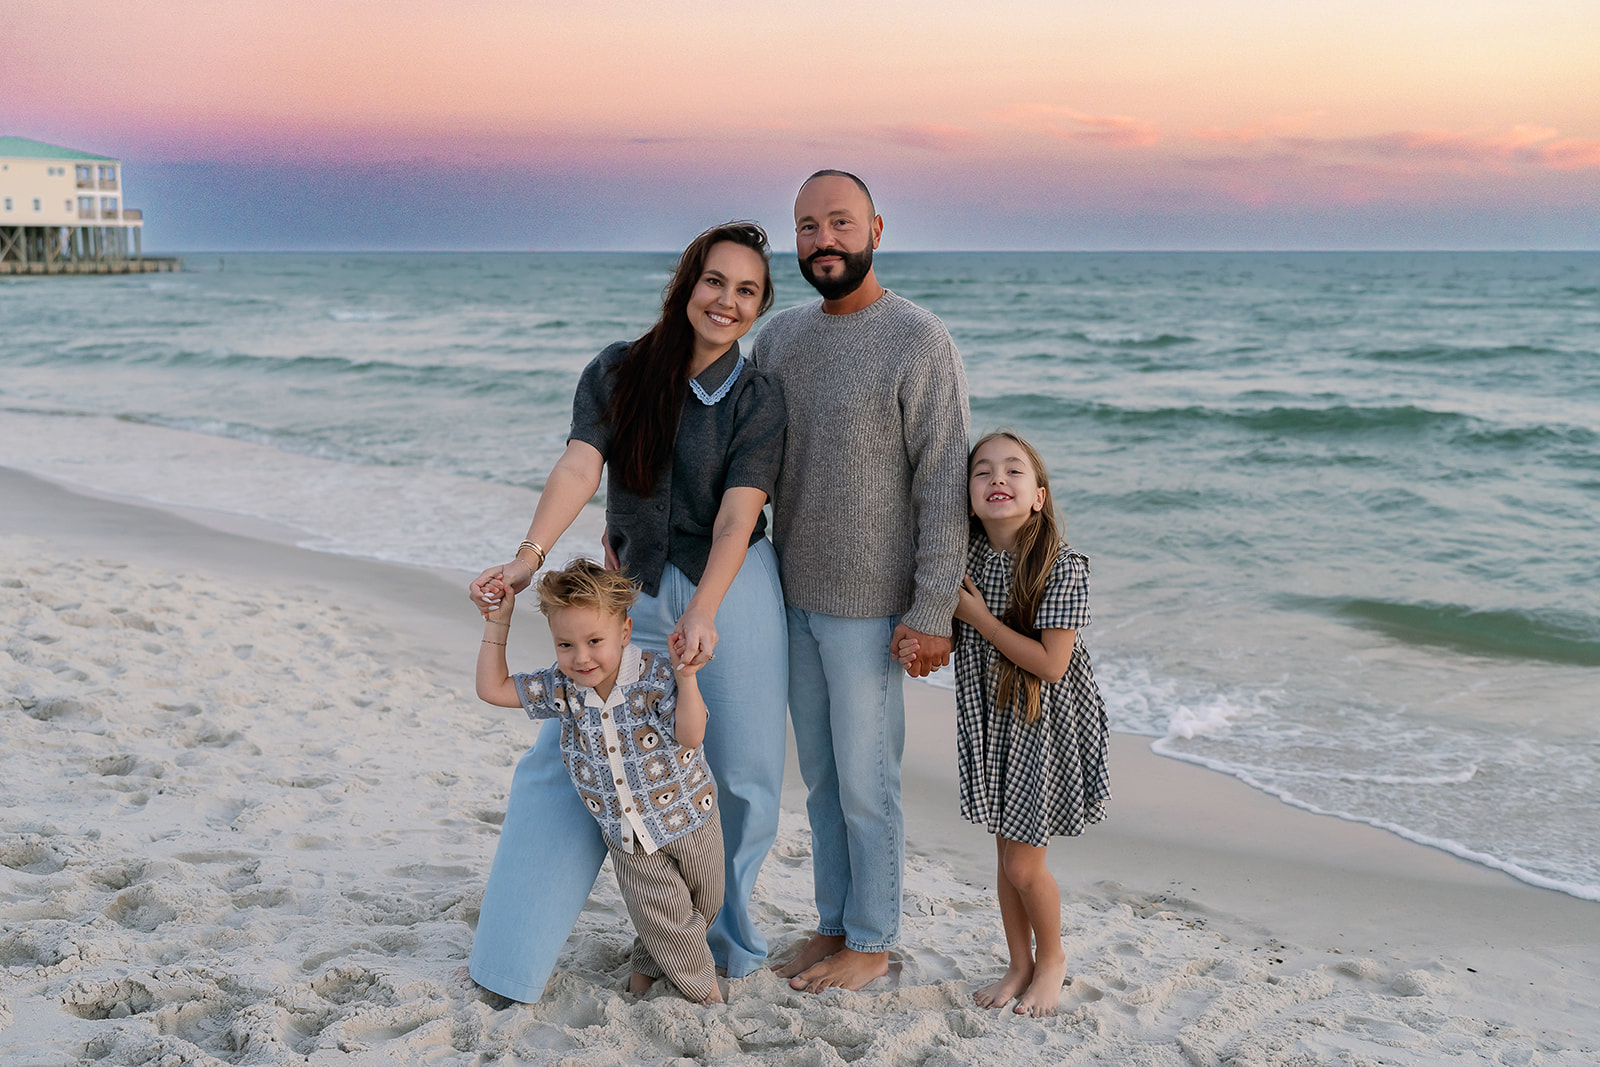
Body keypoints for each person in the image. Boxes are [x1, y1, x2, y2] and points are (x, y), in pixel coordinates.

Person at [466, 222, 788, 1003]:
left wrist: (704, 611)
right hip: (630, 593)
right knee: (564, 757)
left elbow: (738, 518)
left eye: (747, 291)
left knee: (739, 771)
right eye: (716, 281)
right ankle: (508, 961)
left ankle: (713, 948)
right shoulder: (617, 370)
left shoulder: (759, 397)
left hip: (731, 587)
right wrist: (528, 556)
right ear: (688, 283)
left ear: (759, 307)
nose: (728, 300)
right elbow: (582, 464)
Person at [752, 170, 971, 992]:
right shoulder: (777, 339)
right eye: (807, 227)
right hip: (789, 595)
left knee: (869, 783)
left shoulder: (919, 340)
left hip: (875, 613)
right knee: (821, 782)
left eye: (839, 222)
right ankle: (835, 923)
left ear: (876, 225)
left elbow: (944, 481)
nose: (823, 241)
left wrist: (931, 609)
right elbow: (751, 467)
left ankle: (875, 939)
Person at [902, 430, 1110, 1017]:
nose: (998, 479)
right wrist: (917, 645)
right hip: (991, 721)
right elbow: (940, 634)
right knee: (1005, 857)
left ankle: (1052, 961)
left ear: (1039, 496)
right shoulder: (961, 559)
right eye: (983, 471)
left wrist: (980, 618)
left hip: (1045, 725)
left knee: (1024, 863)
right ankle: (1018, 962)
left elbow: (1051, 663)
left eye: (1015, 471)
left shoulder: (1060, 565)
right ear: (967, 496)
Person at [475, 560, 726, 1004]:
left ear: (625, 632)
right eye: (565, 645)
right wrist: (500, 620)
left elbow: (691, 735)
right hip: (629, 837)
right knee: (665, 916)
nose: (581, 657)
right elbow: (492, 689)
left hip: (692, 814)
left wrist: (686, 678)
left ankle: (646, 970)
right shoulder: (561, 689)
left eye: (594, 641)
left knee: (704, 905)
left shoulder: (655, 676)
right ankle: (705, 992)